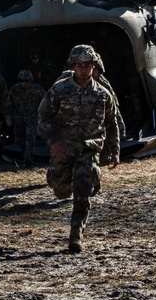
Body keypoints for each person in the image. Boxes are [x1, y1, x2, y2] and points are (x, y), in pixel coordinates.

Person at [37, 44, 121, 254]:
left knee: (82, 191)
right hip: (64, 148)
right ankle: (58, 178)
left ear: (94, 67)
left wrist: (115, 150)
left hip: (89, 148)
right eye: (80, 65)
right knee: (61, 190)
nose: (84, 69)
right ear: (73, 67)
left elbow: (111, 123)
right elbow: (43, 116)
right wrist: (53, 141)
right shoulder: (58, 90)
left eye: (88, 65)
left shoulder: (103, 95)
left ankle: (76, 235)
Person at [6, 68, 46, 166]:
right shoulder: (14, 89)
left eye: (26, 81)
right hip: (18, 116)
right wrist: (8, 117)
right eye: (21, 81)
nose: (23, 83)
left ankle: (29, 158)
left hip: (32, 116)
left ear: (30, 81)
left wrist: (43, 116)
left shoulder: (37, 90)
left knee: (30, 137)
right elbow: (8, 103)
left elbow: (46, 101)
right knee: (19, 140)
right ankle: (25, 155)